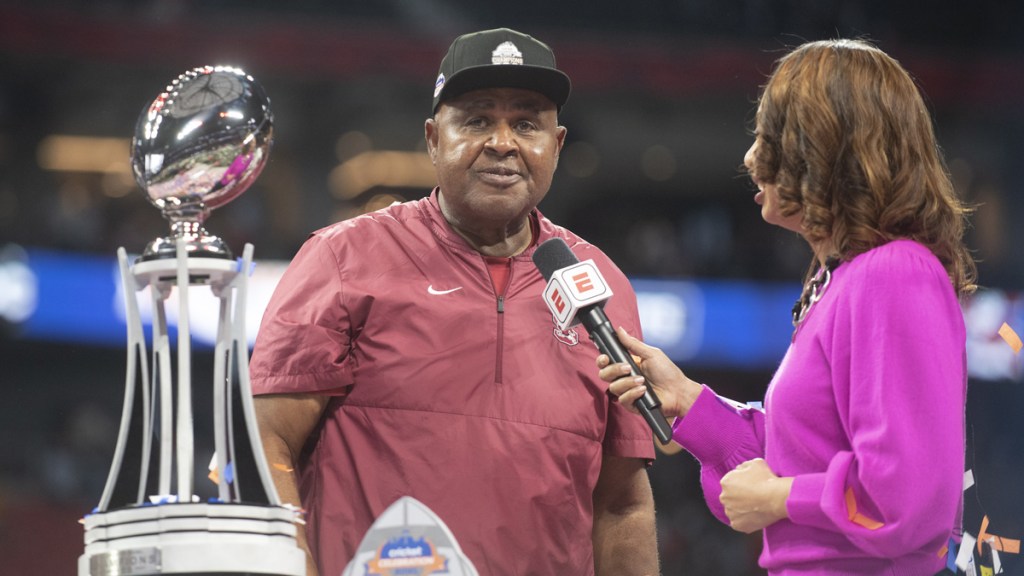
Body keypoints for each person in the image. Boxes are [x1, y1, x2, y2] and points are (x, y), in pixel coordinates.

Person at [250, 27, 659, 576]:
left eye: (527, 123)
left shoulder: (599, 283)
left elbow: (622, 503)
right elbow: (264, 443)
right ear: (432, 138)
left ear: (556, 146)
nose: (503, 142)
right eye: (476, 120)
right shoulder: (344, 259)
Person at [599, 38, 976, 575]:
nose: (750, 157)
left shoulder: (895, 274)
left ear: (824, 146)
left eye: (767, 135)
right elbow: (794, 456)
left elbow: (910, 501)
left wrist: (780, 499)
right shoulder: (844, 278)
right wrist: (686, 399)